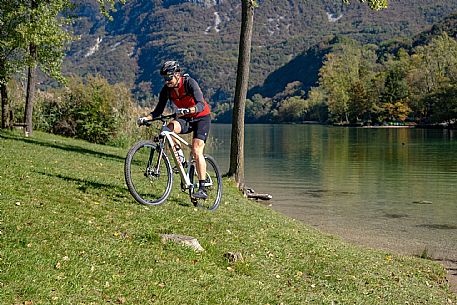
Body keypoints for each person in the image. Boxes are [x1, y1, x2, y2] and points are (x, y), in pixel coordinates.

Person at [137, 60, 211, 199]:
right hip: (185, 118)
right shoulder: (167, 90)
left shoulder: (189, 83)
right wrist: (146, 118)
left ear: (177, 74)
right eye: (165, 78)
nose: (167, 81)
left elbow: (201, 104)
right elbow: (158, 110)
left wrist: (190, 109)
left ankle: (203, 188)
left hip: (201, 118)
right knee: (167, 129)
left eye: (169, 77)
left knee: (196, 150)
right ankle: (181, 161)